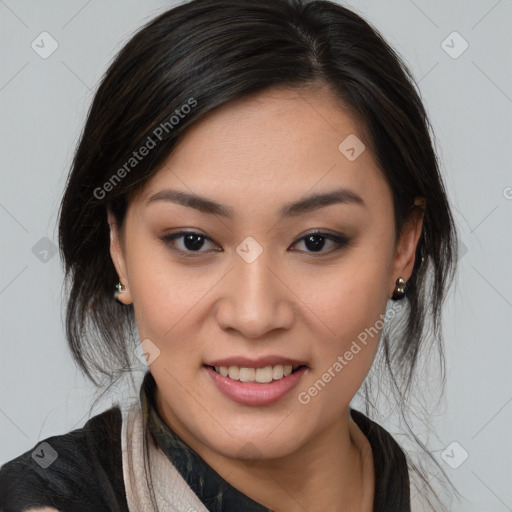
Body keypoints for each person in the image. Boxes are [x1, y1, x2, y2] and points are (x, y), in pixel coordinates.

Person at [0, 0, 459, 511]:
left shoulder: (427, 493)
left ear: (404, 245)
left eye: (316, 241)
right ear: (119, 249)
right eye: (193, 241)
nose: (254, 315)